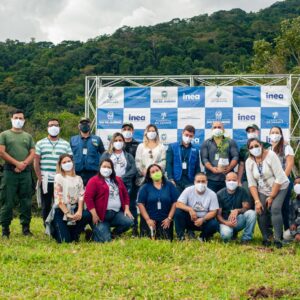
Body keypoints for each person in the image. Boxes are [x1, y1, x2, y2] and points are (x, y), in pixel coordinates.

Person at [245, 138, 289, 248]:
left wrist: (272, 196)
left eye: (256, 146)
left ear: (261, 145)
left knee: (275, 208)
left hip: (280, 186)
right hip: (263, 189)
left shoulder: (271, 155)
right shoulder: (249, 161)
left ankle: (278, 239)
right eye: (251, 147)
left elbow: (279, 177)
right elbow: (252, 183)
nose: (254, 149)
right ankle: (267, 237)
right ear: (248, 150)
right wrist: (257, 201)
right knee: (260, 210)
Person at [0, 109, 35, 237]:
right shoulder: (4, 135)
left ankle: (26, 228)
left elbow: (32, 152)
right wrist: (16, 164)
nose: (18, 120)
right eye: (16, 118)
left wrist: (23, 164)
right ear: (11, 119)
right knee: (7, 201)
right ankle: (5, 229)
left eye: (21, 118)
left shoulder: (28, 136)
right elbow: (2, 152)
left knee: (26, 200)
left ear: (24, 120)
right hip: (9, 172)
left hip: (25, 172)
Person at [84, 158, 134, 243]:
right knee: (106, 241)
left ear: (112, 169)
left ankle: (114, 234)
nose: (106, 169)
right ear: (100, 167)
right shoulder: (93, 180)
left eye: (109, 167)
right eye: (104, 166)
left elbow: (125, 195)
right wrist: (94, 215)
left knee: (130, 222)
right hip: (100, 216)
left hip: (116, 214)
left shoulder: (118, 180)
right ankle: (92, 234)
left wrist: (127, 209)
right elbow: (88, 198)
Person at [34, 119, 73, 224]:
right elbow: (36, 162)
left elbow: (70, 162)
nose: (53, 127)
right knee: (46, 204)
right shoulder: (40, 143)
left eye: (56, 125)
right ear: (47, 128)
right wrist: (39, 178)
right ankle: (47, 226)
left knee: (62, 202)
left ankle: (59, 225)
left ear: (59, 128)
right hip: (45, 179)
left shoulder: (65, 144)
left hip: (61, 179)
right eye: (51, 125)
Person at [47, 154, 92, 243]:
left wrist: (79, 211)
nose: (67, 163)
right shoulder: (58, 177)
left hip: (74, 208)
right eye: (64, 162)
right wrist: (68, 214)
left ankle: (76, 232)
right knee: (65, 241)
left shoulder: (79, 178)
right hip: (61, 210)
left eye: (69, 161)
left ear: (72, 163)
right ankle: (56, 230)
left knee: (87, 215)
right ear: (60, 165)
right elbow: (58, 199)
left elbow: (81, 196)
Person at [137, 164, 179, 240]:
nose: (155, 173)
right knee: (147, 241)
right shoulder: (145, 187)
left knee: (165, 240)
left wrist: (169, 218)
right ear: (149, 175)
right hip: (149, 219)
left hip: (165, 220)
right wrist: (148, 220)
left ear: (161, 172)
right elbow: (140, 204)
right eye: (152, 172)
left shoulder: (170, 185)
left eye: (157, 170)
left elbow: (175, 202)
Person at [174, 173, 219, 241]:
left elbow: (214, 212)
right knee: (178, 212)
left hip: (203, 221)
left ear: (207, 182)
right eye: (198, 181)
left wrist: (203, 219)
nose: (200, 183)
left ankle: (203, 237)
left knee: (214, 224)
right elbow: (178, 204)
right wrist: (190, 209)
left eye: (203, 181)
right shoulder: (188, 190)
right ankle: (181, 237)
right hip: (190, 219)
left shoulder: (212, 194)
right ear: (194, 182)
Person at [217, 172, 256, 243]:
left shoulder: (242, 191)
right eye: (229, 180)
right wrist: (226, 223)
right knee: (226, 236)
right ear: (225, 181)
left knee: (252, 213)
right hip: (225, 222)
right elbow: (218, 215)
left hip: (238, 220)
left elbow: (246, 208)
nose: (231, 182)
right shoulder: (220, 194)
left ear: (237, 181)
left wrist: (238, 210)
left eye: (234, 180)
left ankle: (246, 238)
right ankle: (232, 234)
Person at [200, 121, 239, 193]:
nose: (217, 129)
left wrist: (229, 167)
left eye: (219, 127)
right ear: (212, 130)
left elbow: (235, 157)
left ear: (223, 130)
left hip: (227, 179)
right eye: (215, 127)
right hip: (211, 178)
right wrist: (212, 168)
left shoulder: (230, 142)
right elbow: (204, 159)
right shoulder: (206, 143)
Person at [269, 126, 294, 230]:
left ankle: (287, 231)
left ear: (281, 134)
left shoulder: (286, 147)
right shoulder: (268, 149)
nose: (275, 134)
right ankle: (276, 231)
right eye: (273, 132)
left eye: (277, 132)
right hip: (273, 183)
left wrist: (282, 179)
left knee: (285, 207)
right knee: (275, 208)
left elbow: (289, 164)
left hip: (285, 182)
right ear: (269, 135)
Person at [237, 124, 270, 198]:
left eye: (253, 131)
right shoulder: (243, 148)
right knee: (248, 199)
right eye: (249, 132)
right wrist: (239, 180)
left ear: (258, 132)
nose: (251, 133)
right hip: (248, 178)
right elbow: (241, 165)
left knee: (264, 201)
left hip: (264, 177)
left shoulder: (267, 145)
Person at [70, 117, 105, 186]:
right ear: (79, 126)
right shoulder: (73, 139)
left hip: (93, 173)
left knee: (92, 194)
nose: (84, 125)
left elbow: (103, 154)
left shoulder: (97, 139)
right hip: (77, 172)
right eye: (82, 123)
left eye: (86, 123)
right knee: (77, 194)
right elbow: (69, 156)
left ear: (90, 125)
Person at [166, 125, 200, 193]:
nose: (188, 137)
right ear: (182, 133)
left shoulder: (195, 150)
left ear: (193, 137)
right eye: (186, 135)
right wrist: (170, 179)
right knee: (176, 202)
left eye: (190, 136)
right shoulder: (172, 146)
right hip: (176, 181)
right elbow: (169, 163)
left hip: (190, 181)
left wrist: (198, 181)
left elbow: (197, 167)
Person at [121, 122, 140, 236]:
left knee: (132, 204)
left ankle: (134, 228)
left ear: (132, 131)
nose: (127, 130)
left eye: (129, 129)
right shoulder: (118, 144)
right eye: (125, 129)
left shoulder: (137, 145)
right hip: (118, 181)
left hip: (132, 180)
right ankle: (120, 227)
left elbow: (137, 163)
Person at [283, 177, 300, 242]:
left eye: (299, 183)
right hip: (297, 228)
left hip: (298, 227)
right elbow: (291, 219)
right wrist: (295, 233)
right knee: (285, 235)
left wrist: (298, 232)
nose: (297, 185)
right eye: (295, 183)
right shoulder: (293, 201)